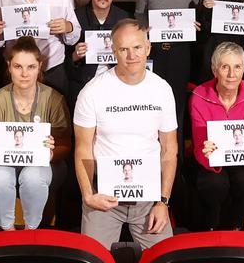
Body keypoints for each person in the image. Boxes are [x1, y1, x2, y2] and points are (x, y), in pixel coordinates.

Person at [73, 20, 177, 250]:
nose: (131, 55)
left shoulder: (162, 89)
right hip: (103, 196)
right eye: (123, 49)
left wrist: (163, 202)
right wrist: (88, 196)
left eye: (137, 47)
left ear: (148, 48)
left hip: (149, 198)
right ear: (113, 51)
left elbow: (170, 150)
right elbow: (82, 148)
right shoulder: (92, 91)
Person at [0, 37, 72, 230]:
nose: (24, 74)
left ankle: (31, 230)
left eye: (30, 67)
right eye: (18, 66)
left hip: (45, 165)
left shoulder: (53, 99)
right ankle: (7, 230)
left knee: (32, 177)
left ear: (40, 67)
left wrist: (52, 152)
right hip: (6, 163)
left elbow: (66, 146)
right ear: (9, 67)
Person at [192, 43, 244, 230]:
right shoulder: (198, 97)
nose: (232, 74)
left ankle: (236, 224)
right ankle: (211, 225)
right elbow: (199, 145)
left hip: (241, 160)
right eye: (225, 67)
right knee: (213, 183)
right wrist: (206, 154)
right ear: (214, 70)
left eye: (237, 67)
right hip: (212, 159)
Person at [135, 0, 200, 129]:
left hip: (181, 54)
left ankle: (176, 156)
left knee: (176, 105)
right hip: (154, 53)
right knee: (151, 104)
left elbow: (198, 18)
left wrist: (196, 24)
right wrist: (144, 28)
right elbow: (139, 15)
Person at [68, 0, 131, 106]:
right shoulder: (75, 17)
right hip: (83, 86)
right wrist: (75, 56)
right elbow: (64, 64)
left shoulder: (124, 19)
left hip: (117, 86)